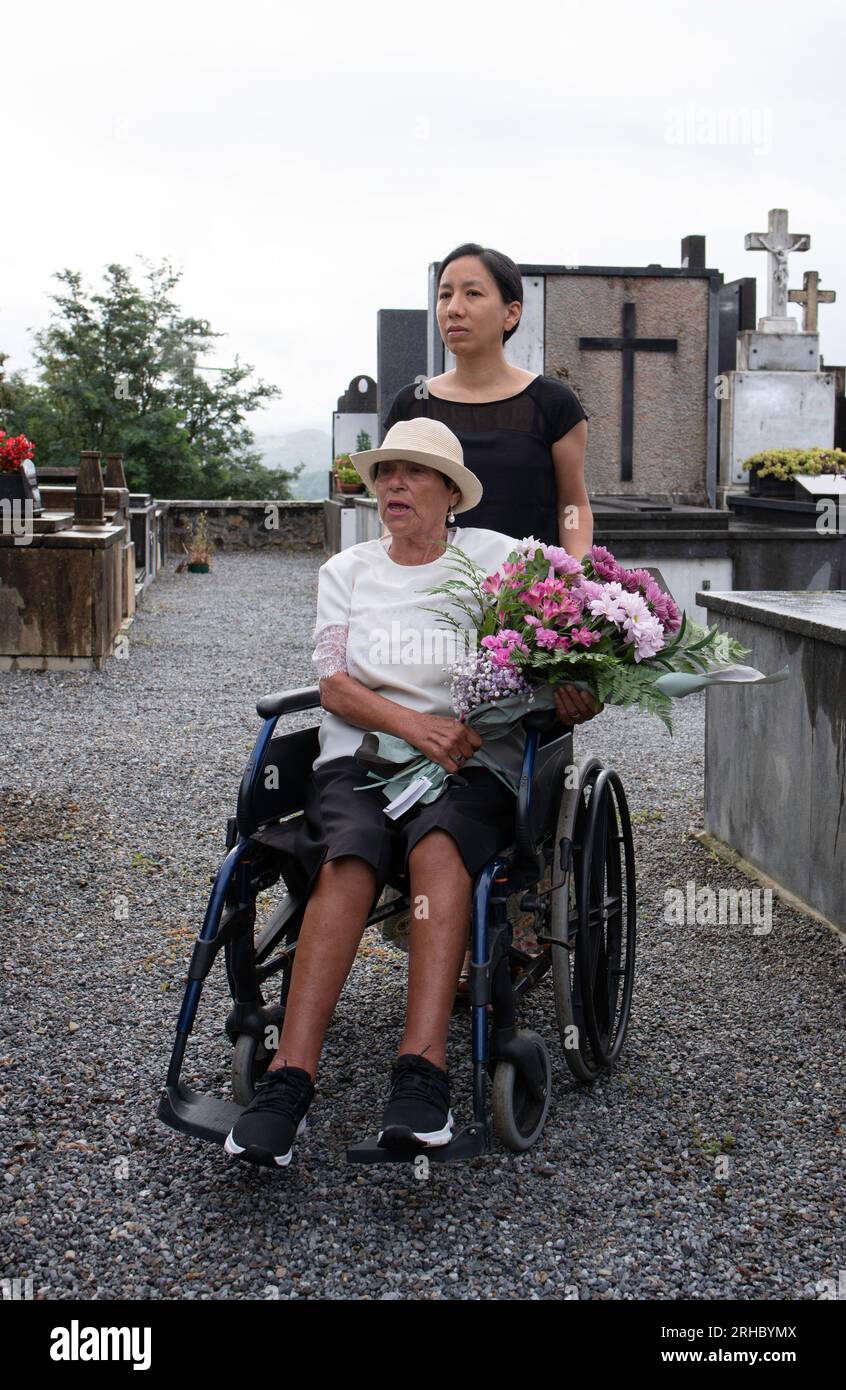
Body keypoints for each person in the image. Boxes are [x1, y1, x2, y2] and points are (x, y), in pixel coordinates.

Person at [224, 418, 602, 1170]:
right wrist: (413, 726)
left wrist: (576, 682)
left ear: (451, 493)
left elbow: (580, 619)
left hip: (472, 765)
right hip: (360, 760)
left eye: (414, 473)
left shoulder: (505, 561)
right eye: (386, 472)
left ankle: (423, 1074)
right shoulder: (348, 570)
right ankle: (289, 1079)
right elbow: (334, 685)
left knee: (439, 847)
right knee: (349, 856)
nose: (394, 484)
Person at [384, 240, 592, 563]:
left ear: (511, 313)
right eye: (444, 294)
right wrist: (392, 568)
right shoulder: (413, 405)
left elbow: (572, 505)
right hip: (433, 598)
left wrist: (576, 573)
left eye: (472, 293)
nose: (453, 308)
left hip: (528, 599)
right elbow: (393, 501)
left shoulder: (553, 405)